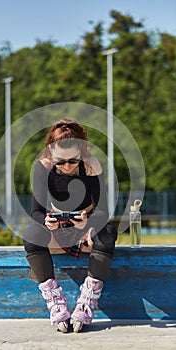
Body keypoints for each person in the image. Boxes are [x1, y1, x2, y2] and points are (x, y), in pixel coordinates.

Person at [23, 119, 117, 333]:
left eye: (73, 161)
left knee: (108, 230)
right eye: (60, 162)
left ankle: (88, 299)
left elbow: (103, 211)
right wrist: (46, 222)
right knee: (31, 233)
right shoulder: (43, 166)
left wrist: (88, 221)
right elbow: (36, 212)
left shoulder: (91, 165)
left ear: (82, 151)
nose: (66, 167)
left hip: (87, 228)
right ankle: (55, 301)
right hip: (58, 229)